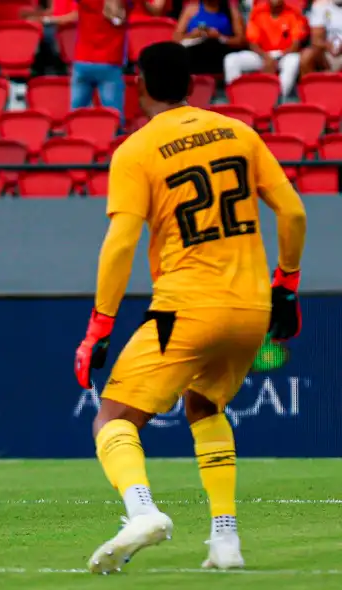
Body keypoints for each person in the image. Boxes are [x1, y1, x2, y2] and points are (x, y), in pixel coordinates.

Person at [73, 41, 306, 573]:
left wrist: (100, 325)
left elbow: (121, 243)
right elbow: (292, 212)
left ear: (138, 85)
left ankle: (141, 512)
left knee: (113, 416)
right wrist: (287, 285)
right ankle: (226, 541)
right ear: (194, 85)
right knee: (205, 406)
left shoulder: (136, 150)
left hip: (186, 307)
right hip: (251, 308)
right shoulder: (239, 133)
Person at [223, 0, 306, 99]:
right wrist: (266, 57)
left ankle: (277, 98)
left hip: (283, 55)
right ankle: (237, 97)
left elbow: (296, 43)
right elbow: (252, 42)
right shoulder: (258, 12)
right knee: (231, 59)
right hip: (262, 55)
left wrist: (277, 58)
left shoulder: (293, 13)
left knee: (294, 60)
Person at [173, 0, 246, 75]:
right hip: (194, 55)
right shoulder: (191, 9)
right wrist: (192, 35)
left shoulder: (231, 11)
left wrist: (220, 37)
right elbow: (176, 38)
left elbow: (241, 41)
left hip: (221, 55)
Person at [300, 0, 342, 76]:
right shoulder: (320, 6)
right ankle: (312, 83)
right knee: (307, 55)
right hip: (326, 53)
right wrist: (328, 45)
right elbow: (316, 40)